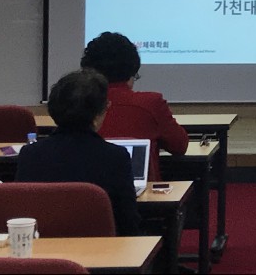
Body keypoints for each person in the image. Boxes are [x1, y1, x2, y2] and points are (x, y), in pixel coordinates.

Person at [16, 69, 141, 236]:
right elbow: (128, 223)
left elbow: (22, 214)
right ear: (99, 112)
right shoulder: (116, 156)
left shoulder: (30, 154)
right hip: (103, 248)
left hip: (43, 247)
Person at [80, 32, 189, 180]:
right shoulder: (151, 103)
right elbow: (179, 146)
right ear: (132, 70)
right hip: (140, 191)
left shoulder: (77, 102)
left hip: (85, 188)